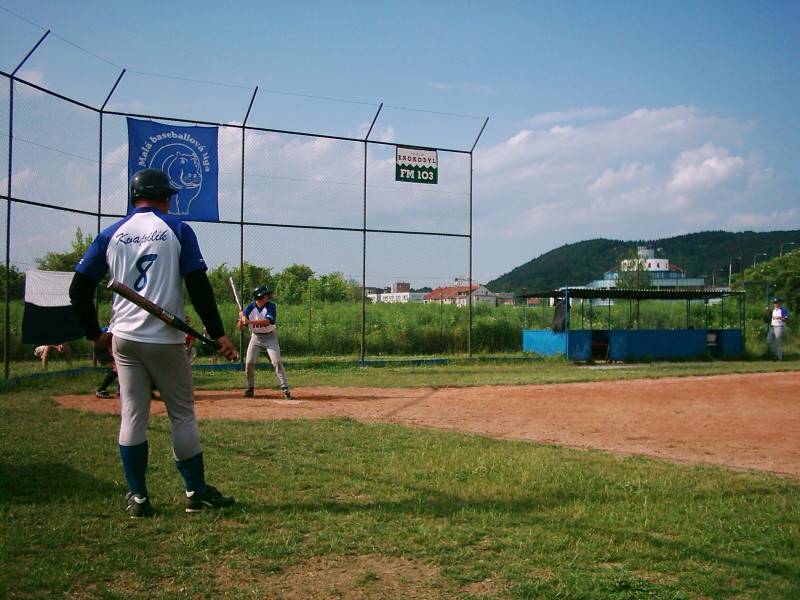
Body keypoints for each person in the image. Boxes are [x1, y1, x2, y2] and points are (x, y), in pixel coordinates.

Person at [69, 167, 239, 518]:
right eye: (170, 195)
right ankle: (195, 493)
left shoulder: (111, 233)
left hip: (125, 339)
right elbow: (198, 285)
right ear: (163, 196)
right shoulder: (177, 229)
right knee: (182, 416)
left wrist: (95, 334)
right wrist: (218, 333)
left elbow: (78, 289)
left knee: (132, 415)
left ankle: (138, 498)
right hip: (164, 338)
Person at [238, 285, 291, 399]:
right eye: (266, 294)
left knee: (276, 361)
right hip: (256, 337)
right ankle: (250, 388)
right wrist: (241, 318)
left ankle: (285, 388)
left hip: (270, 337)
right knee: (249, 363)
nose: (268, 296)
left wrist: (249, 321)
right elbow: (240, 328)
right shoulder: (250, 307)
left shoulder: (271, 306)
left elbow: (267, 322)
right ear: (260, 296)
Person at [95, 325, 117, 399]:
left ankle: (120, 391)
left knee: (120, 369)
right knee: (117, 368)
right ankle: (100, 390)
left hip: (105, 344)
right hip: (103, 346)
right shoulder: (115, 327)